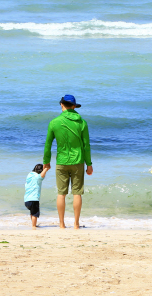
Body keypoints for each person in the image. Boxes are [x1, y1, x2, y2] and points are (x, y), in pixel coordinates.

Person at [43, 94, 93, 229]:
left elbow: (48, 145)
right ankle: (76, 224)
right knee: (77, 193)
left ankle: (61, 224)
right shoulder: (82, 122)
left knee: (61, 194)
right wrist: (89, 164)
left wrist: (46, 161)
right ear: (74, 106)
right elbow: (86, 145)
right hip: (78, 162)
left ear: (61, 105)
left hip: (62, 161)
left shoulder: (54, 122)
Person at [24, 164, 50, 229]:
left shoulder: (29, 175)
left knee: (32, 212)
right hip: (34, 199)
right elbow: (41, 176)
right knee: (35, 213)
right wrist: (46, 169)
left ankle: (33, 224)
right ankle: (33, 226)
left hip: (26, 200)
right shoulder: (37, 177)